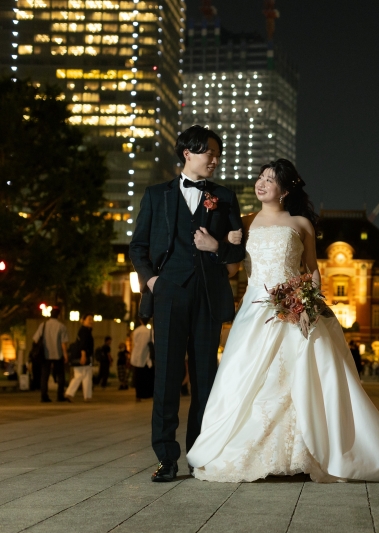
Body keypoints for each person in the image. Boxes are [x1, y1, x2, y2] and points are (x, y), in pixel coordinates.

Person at [186, 159, 379, 483]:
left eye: (270, 179)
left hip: (295, 310)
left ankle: (304, 453)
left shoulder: (301, 223)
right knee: (247, 379)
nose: (261, 183)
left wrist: (309, 303)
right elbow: (232, 269)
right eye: (261, 177)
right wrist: (215, 246)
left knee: (303, 380)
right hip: (255, 311)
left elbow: (312, 269)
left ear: (285, 190)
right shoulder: (243, 222)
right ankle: (251, 453)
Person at [130, 126, 246, 482]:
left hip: (209, 294)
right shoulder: (156, 195)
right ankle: (166, 457)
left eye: (218, 155)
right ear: (187, 154)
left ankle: (200, 453)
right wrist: (152, 281)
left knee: (205, 379)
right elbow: (137, 247)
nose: (215, 159)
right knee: (166, 378)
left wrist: (217, 247)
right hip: (169, 293)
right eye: (209, 153)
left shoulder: (224, 196)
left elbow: (238, 252)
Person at [32, 306, 69, 403]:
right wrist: (65, 354)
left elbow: (35, 339)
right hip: (58, 353)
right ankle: (60, 395)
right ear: (59, 315)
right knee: (60, 375)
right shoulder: (61, 326)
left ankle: (44, 396)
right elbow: (63, 342)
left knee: (44, 375)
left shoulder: (43, 325)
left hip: (45, 354)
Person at [66, 315, 94, 402]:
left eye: (92, 319)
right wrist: (83, 355)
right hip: (82, 356)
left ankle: (87, 396)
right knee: (81, 375)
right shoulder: (84, 331)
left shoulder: (86, 330)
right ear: (83, 320)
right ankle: (70, 393)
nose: (91, 321)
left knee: (86, 375)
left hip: (82, 355)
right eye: (89, 319)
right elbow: (83, 344)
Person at [131, 318, 155, 402]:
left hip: (137, 357)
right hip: (147, 357)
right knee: (148, 377)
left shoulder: (136, 331)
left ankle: (138, 395)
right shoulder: (150, 331)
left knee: (138, 377)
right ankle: (148, 394)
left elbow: (134, 342)